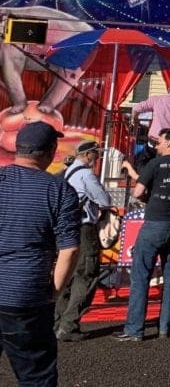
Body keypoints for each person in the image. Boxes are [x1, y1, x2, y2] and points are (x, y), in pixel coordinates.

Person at [0, 122, 80, 385]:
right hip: (25, 293)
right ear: (51, 151)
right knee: (36, 375)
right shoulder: (59, 190)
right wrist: (53, 291)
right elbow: (69, 250)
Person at [116, 128, 170, 342]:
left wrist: (153, 197)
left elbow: (137, 192)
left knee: (141, 275)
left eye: (160, 141)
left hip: (155, 223)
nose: (157, 145)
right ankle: (165, 328)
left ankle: (135, 330)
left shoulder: (155, 164)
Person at [54, 139, 112, 341]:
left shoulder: (66, 173)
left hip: (65, 228)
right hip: (84, 228)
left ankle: (56, 321)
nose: (97, 157)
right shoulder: (86, 175)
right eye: (95, 154)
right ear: (88, 155)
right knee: (87, 274)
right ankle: (69, 325)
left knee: (66, 275)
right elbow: (104, 200)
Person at [131, 80, 170, 144]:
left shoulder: (156, 99)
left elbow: (136, 108)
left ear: (169, 89)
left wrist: (136, 122)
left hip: (155, 139)